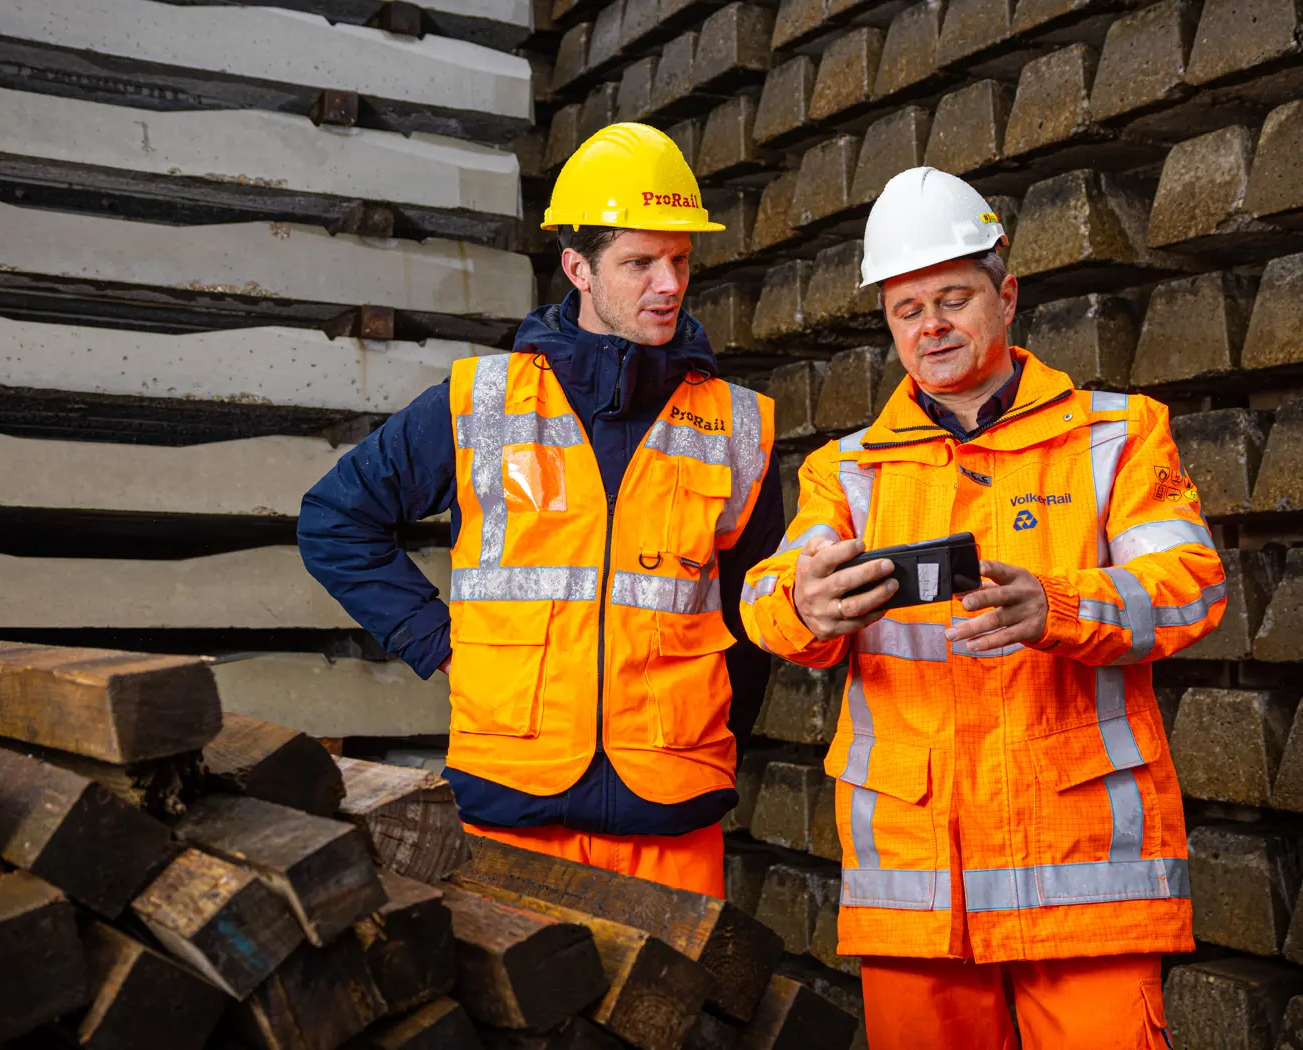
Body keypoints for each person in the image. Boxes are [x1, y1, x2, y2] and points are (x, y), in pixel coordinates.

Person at [738, 167, 1224, 1048]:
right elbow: (765, 596)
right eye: (906, 309)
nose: (931, 327)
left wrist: (1062, 605)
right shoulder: (845, 471)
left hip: (1086, 881)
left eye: (953, 298)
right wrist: (803, 604)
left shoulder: (1117, 435)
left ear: (1007, 296)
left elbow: (1192, 584)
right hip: (918, 888)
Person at [300, 123, 784, 897]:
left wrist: (712, 740)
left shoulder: (739, 427)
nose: (668, 284)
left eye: (680, 261)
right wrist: (438, 640)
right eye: (639, 262)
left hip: (671, 812)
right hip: (511, 802)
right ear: (577, 268)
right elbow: (334, 521)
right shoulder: (480, 403)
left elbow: (759, 614)